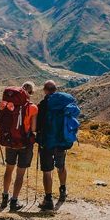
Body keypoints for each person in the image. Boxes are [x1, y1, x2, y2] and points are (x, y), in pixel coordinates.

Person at [36, 80, 78, 210]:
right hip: (61, 141)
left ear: (45, 90)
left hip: (47, 142)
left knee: (47, 171)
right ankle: (63, 190)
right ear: (55, 89)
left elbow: (37, 125)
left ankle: (48, 200)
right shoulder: (65, 102)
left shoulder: (43, 105)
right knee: (61, 166)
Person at [1, 81, 38, 211]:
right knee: (20, 174)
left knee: (9, 169)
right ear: (31, 93)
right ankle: (14, 201)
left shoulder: (9, 105)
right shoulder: (33, 108)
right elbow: (33, 128)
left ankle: (5, 196)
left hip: (10, 142)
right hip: (24, 144)